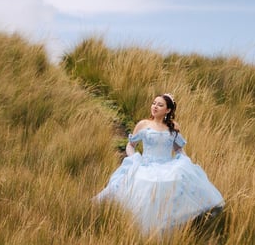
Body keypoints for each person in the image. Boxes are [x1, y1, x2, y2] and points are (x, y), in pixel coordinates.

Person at [94, 93, 224, 234]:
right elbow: (130, 145)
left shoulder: (173, 126)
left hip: (167, 164)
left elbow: (178, 149)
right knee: (146, 184)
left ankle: (175, 223)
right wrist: (134, 160)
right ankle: (143, 227)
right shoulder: (143, 124)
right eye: (154, 103)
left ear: (168, 110)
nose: (155, 107)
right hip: (147, 164)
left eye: (160, 105)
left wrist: (187, 163)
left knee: (177, 180)